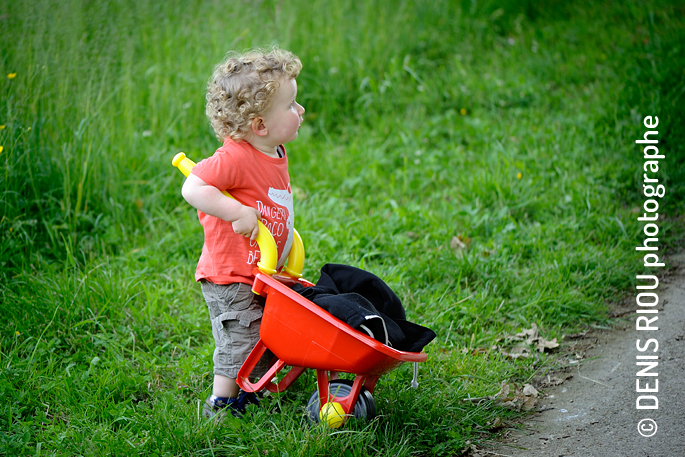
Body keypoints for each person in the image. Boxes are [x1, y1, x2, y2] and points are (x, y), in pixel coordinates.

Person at [181, 48, 305, 418]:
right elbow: (193, 188)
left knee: (266, 332)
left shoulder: (274, 149)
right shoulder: (235, 157)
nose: (300, 111)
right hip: (231, 274)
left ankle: (250, 391)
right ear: (260, 125)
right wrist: (235, 210)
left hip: (262, 270)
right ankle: (221, 403)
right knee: (240, 337)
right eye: (292, 105)